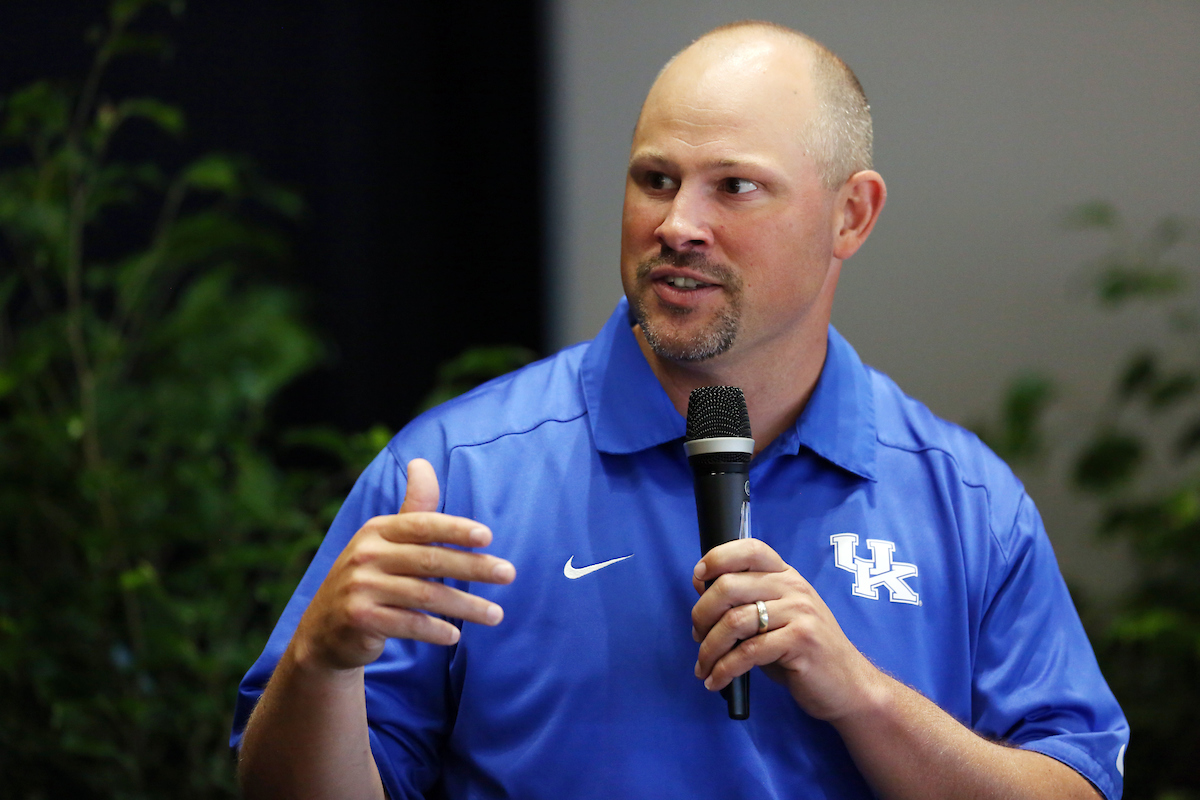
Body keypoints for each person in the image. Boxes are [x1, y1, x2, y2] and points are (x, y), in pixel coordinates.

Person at [233, 20, 1128, 800]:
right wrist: (321, 666)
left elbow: (1073, 783)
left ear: (850, 216)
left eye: (733, 186)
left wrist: (863, 695)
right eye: (656, 179)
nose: (677, 225)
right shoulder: (458, 473)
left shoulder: (965, 500)